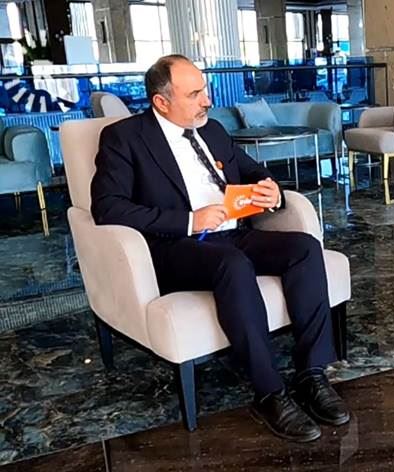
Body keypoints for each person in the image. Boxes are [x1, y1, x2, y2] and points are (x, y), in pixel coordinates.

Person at [90, 54, 349, 442]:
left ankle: (311, 374)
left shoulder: (211, 130)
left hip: (235, 233)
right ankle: (269, 391)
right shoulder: (125, 138)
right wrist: (189, 220)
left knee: (305, 248)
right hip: (176, 245)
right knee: (232, 263)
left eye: (205, 90)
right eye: (194, 94)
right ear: (161, 101)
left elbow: (250, 170)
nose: (206, 101)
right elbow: (108, 207)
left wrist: (271, 189)